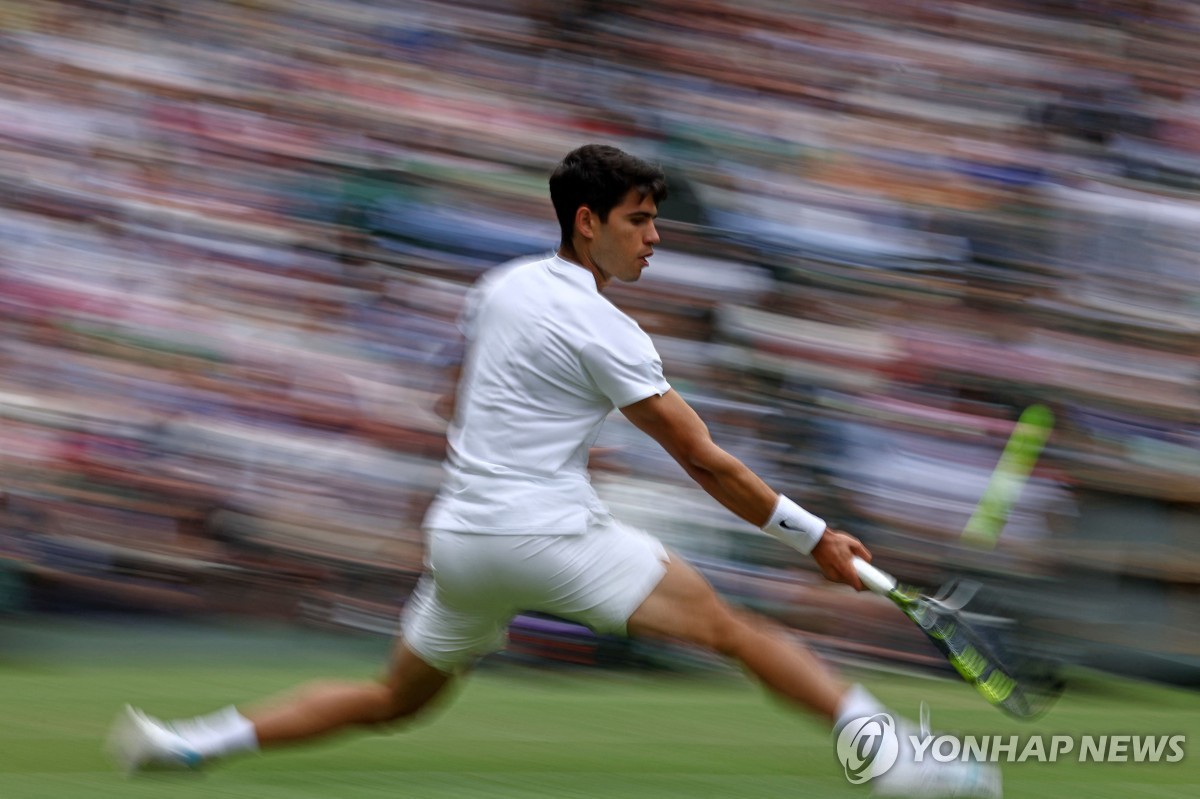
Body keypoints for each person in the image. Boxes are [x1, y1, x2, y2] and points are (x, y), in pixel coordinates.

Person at [108, 144, 1001, 797]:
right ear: (588, 222)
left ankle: (188, 742)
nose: (655, 239)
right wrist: (814, 538)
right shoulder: (607, 329)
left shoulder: (499, 285)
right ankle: (900, 765)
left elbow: (450, 400)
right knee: (743, 632)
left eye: (657, 220)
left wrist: (537, 427)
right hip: (543, 533)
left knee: (393, 699)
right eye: (639, 221)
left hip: (462, 539)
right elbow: (702, 458)